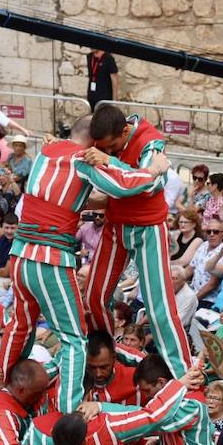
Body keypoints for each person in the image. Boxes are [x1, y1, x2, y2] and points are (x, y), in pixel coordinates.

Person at [0, 114, 167, 412]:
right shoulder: (82, 160)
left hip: (20, 256)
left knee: (20, 324)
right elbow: (124, 185)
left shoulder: (45, 152)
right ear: (94, 142)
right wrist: (154, 169)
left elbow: (82, 198)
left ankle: (0, 383)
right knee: (75, 339)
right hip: (50, 259)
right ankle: (69, 415)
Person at [86, 104, 192, 379]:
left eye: (111, 147)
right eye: (104, 149)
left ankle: (184, 374)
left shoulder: (150, 141)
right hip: (115, 223)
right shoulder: (103, 138)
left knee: (160, 309)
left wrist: (110, 162)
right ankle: (104, 354)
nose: (107, 152)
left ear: (125, 131)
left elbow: (149, 185)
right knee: (94, 297)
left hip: (148, 227)